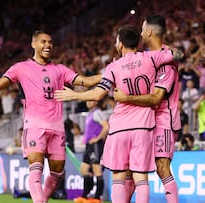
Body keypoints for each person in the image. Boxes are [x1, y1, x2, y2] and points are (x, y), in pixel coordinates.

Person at [55, 25, 182, 203]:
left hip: (119, 128)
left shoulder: (113, 67)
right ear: (138, 43)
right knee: (141, 178)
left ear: (120, 44)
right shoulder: (151, 57)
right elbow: (178, 54)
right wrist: (167, 51)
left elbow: (98, 94)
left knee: (118, 177)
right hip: (143, 128)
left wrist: (74, 94)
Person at [0, 30, 101, 203]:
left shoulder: (60, 70)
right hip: (35, 125)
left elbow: (86, 81)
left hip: (57, 128)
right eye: (43, 42)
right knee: (36, 169)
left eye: (50, 42)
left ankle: (42, 199)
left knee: (56, 173)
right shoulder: (20, 68)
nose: (48, 45)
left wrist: (109, 76)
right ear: (33, 44)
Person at [113, 15, 182, 203]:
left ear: (149, 31)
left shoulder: (166, 62)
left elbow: (156, 98)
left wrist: (126, 98)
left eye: (143, 28)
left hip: (163, 120)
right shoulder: (147, 57)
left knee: (162, 167)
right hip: (145, 120)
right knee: (130, 169)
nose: (140, 32)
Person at [74, 100, 109, 203]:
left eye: (92, 100)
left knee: (97, 170)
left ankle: (98, 198)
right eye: (88, 100)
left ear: (96, 102)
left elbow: (106, 127)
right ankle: (85, 196)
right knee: (84, 169)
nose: (89, 102)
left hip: (95, 145)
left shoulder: (97, 112)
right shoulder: (90, 113)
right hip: (89, 146)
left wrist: (97, 139)